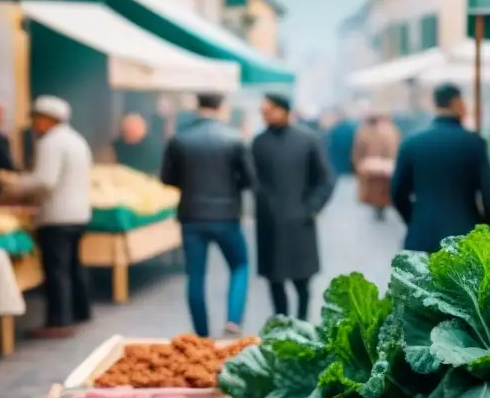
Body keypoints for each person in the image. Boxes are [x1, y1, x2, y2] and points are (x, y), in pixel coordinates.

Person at [160, 93, 255, 337]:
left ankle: (202, 334)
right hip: (226, 216)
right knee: (240, 265)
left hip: (191, 216)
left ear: (197, 107)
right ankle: (233, 320)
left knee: (195, 275)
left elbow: (167, 178)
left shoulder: (179, 139)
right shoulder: (235, 139)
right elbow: (249, 179)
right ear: (221, 107)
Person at [0, 97, 92, 339]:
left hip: (57, 216)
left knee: (57, 271)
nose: (35, 124)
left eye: (37, 119)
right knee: (72, 266)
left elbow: (45, 180)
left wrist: (14, 186)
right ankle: (81, 311)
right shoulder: (77, 140)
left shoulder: (51, 142)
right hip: (78, 214)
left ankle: (59, 321)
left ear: (47, 119)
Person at [391, 84, 490, 253]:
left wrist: (415, 220)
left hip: (421, 238)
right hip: (465, 239)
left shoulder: (411, 143)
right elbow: (489, 198)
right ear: (456, 102)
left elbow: (397, 193)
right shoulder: (474, 143)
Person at [252, 93, 335, 320]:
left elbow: (326, 179)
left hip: (300, 220)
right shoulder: (258, 142)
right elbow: (254, 179)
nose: (266, 115)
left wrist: (312, 207)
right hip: (269, 222)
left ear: (284, 110)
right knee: (274, 279)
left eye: (269, 110)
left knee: (302, 281)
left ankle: (302, 323)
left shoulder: (308, 140)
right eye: (263, 111)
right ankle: (281, 324)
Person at [352, 106, 401, 221]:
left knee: (378, 189)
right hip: (382, 165)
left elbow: (358, 151)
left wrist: (358, 164)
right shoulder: (392, 131)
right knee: (381, 189)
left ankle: (379, 207)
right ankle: (379, 207)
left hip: (374, 166)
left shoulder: (365, 131)